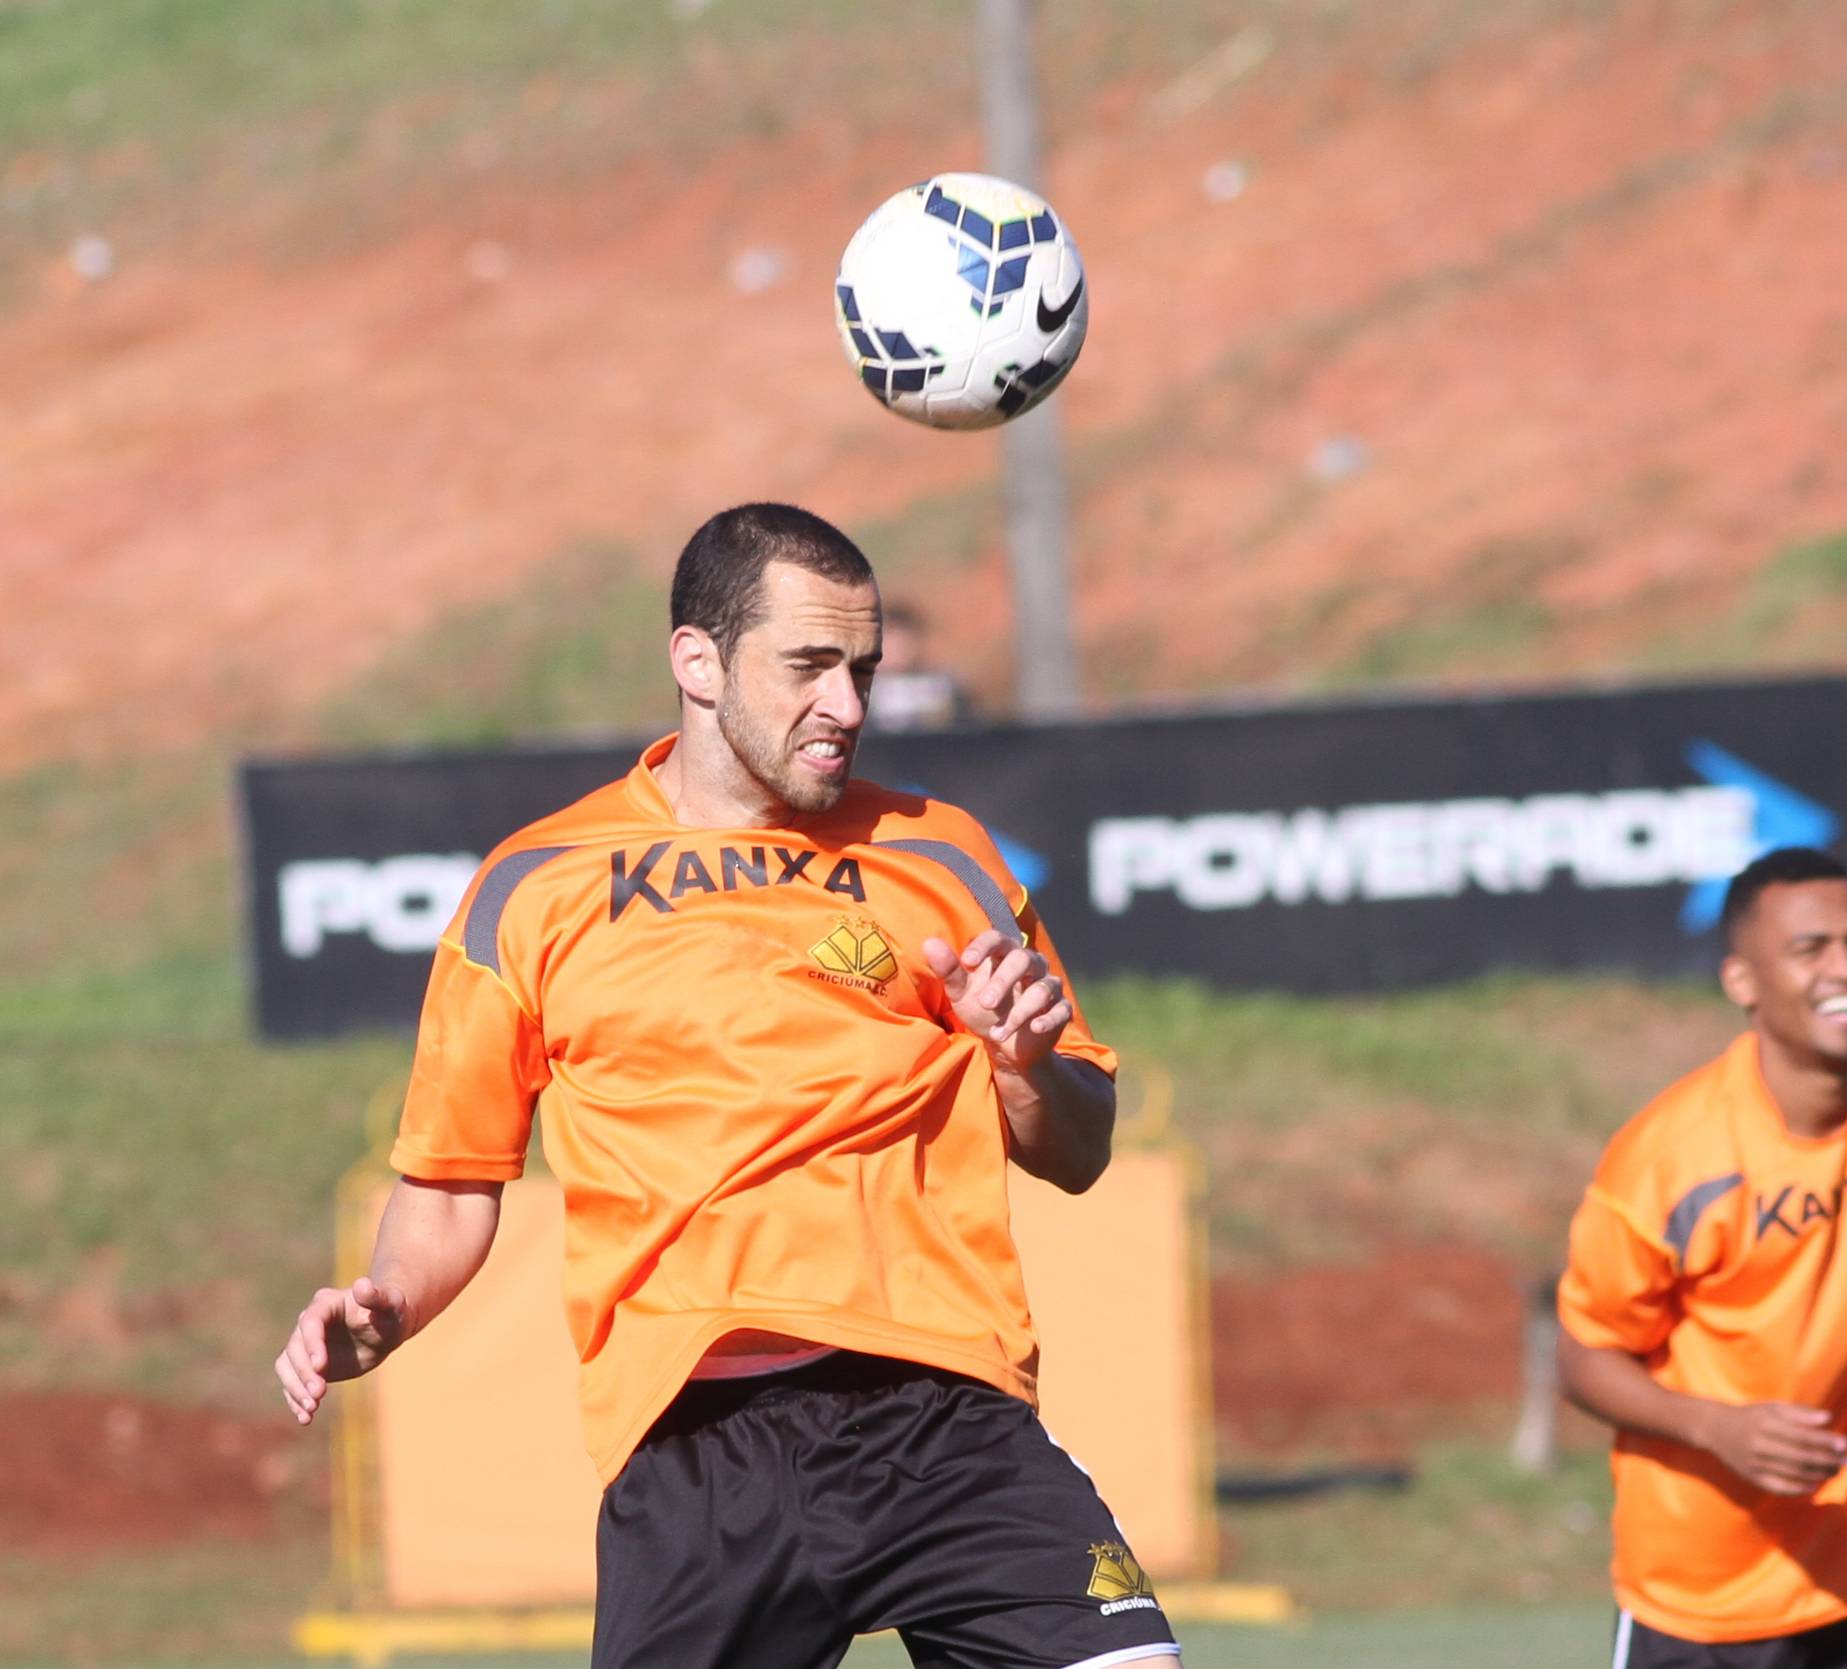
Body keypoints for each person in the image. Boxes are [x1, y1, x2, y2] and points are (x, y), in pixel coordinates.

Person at [274, 503, 1182, 1669]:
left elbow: (1080, 1146)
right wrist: (388, 1305)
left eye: (862, 670)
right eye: (808, 666)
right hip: (697, 1450)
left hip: (945, 1416)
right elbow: (452, 1182)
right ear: (696, 661)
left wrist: (1025, 1065)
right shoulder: (532, 888)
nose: (846, 704)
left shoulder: (942, 852)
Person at [1556, 847, 1847, 1669]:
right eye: (1809, 949)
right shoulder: (1671, 1161)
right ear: (1741, 981)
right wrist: (1716, 1426)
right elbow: (1583, 1358)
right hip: (1703, 1601)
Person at [867, 600, 972, 731]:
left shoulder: (943, 686)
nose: (896, 651)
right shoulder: (865, 689)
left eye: (901, 644)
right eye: (890, 643)